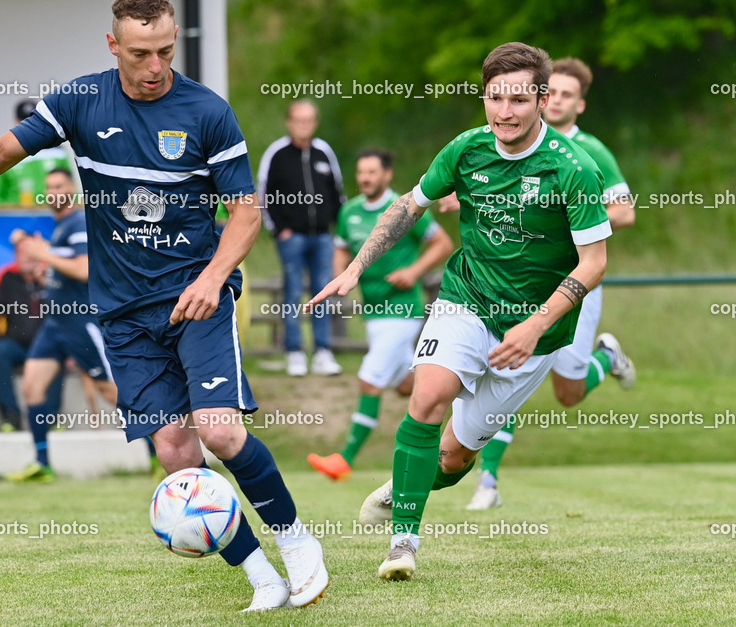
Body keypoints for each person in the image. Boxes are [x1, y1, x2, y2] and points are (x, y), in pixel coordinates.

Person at [0, 0, 327, 611]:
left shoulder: (207, 111)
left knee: (220, 432)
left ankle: (297, 541)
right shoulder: (79, 101)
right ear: (113, 45)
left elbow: (246, 214)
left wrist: (211, 279)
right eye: (141, 53)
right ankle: (261, 575)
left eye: (166, 50)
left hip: (196, 297)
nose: (155, 66)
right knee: (175, 452)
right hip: (123, 312)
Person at [309, 42, 611, 581]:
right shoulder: (466, 150)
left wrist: (535, 324)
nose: (503, 112)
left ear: (542, 100)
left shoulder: (574, 168)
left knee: (452, 459)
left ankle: (405, 485)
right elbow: (409, 205)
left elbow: (594, 263)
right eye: (494, 98)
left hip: (536, 332)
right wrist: (356, 266)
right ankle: (403, 543)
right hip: (465, 300)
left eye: (518, 99)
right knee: (427, 396)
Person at [466, 56, 637, 510]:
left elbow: (625, 212)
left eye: (567, 95)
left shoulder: (589, 152)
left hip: (575, 284)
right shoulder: (506, 142)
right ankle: (488, 481)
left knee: (568, 394)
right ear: (542, 97)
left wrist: (570, 223)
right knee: (505, 367)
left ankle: (606, 357)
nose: (557, 100)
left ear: (580, 105)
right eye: (553, 92)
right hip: (519, 284)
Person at [308, 149, 453, 481]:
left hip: (402, 311)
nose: (365, 178)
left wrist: (413, 272)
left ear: (387, 175)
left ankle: (344, 460)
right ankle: (462, 399)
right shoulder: (350, 211)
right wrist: (340, 277)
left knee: (370, 378)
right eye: (361, 172)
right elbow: (341, 248)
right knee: (407, 385)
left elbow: (442, 244)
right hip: (373, 313)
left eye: (372, 172)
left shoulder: (406, 208)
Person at [4, 168, 116, 483]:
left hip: (81, 322)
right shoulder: (59, 228)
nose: (53, 192)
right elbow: (65, 272)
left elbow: (84, 269)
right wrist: (47, 274)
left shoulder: (78, 222)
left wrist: (44, 254)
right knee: (31, 387)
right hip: (55, 324)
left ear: (72, 190)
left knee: (112, 392)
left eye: (59, 186)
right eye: (49, 187)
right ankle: (42, 463)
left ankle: (157, 451)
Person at [258, 99, 345, 377]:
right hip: (291, 237)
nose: (304, 125)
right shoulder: (276, 154)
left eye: (309, 120)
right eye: (299, 120)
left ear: (315, 123)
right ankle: (294, 352)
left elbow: (337, 192)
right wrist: (278, 229)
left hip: (322, 237)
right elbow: (263, 195)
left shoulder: (324, 152)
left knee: (323, 291)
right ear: (289, 122)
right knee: (293, 292)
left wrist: (338, 230)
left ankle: (322, 351)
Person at [0, 231, 64, 431]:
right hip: (16, 345)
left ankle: (51, 417)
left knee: (59, 349)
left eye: (30, 252)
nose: (27, 257)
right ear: (16, 256)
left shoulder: (50, 275)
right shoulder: (7, 276)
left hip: (45, 345)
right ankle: (11, 416)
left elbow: (65, 311)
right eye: (22, 252)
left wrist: (45, 281)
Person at [0, 101, 72, 206]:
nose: (30, 128)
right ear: (16, 123)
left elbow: (70, 186)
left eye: (33, 122)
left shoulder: (58, 152)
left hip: (53, 213)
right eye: (25, 122)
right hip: (16, 215)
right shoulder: (4, 152)